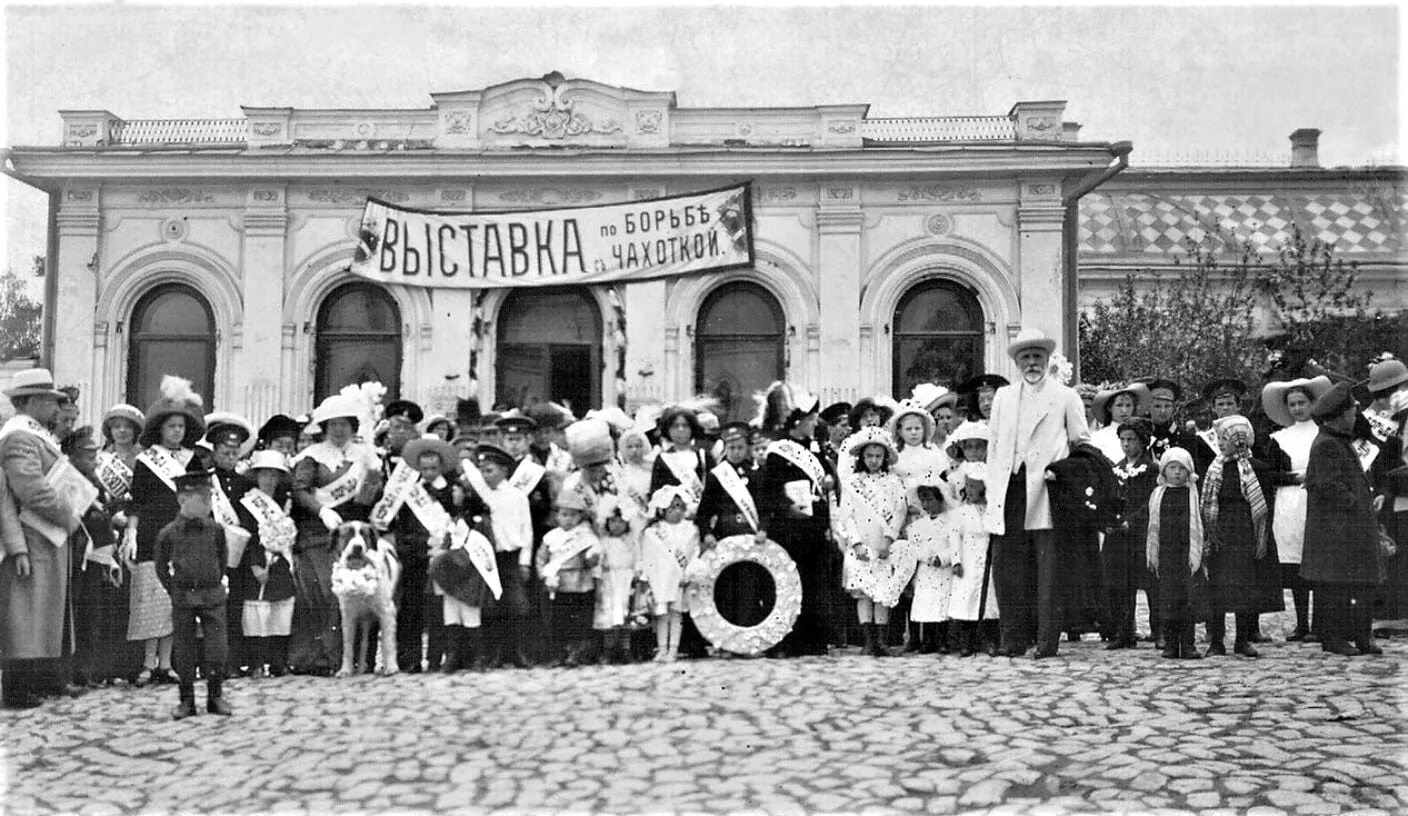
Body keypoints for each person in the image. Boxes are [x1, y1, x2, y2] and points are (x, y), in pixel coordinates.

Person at [985, 328, 1091, 659]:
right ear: (1017, 362)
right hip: (1010, 487)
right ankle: (1012, 639)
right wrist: (992, 487)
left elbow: (1082, 445)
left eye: (1037, 357)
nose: (1032, 363)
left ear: (1046, 360)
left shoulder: (1065, 396)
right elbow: (994, 447)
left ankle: (1047, 641)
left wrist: (1064, 475)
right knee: (1007, 567)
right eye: (1026, 358)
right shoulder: (1003, 397)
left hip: (1047, 490)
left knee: (1048, 570)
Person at [0, 369, 83, 709]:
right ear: (33, 402)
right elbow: (30, 488)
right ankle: (19, 688)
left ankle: (40, 681)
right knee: (26, 615)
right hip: (33, 535)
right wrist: (68, 515)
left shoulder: (34, 435)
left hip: (45, 536)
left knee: (41, 613)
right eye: (51, 402)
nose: (56, 409)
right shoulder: (20, 437)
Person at [288, 392, 384, 674]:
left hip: (354, 536)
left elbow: (371, 497)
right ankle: (320, 659)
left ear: (352, 426)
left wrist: (372, 485)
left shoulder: (363, 455)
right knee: (327, 594)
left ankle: (353, 659)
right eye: (333, 424)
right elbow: (299, 490)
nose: (338, 429)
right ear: (324, 427)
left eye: (344, 424)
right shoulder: (312, 456)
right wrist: (321, 511)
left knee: (358, 591)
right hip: (320, 535)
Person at [125, 375, 207, 687]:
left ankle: (168, 662)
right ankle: (148, 663)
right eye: (171, 426)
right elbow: (137, 499)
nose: (176, 431)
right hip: (150, 533)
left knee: (176, 597)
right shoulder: (146, 461)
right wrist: (131, 533)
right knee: (151, 596)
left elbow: (202, 497)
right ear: (160, 428)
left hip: (183, 533)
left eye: (181, 427)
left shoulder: (193, 459)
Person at [1302, 383, 1386, 656]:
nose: (1354, 417)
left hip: (1350, 528)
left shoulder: (1337, 441)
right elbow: (1329, 486)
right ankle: (1334, 638)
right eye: (1351, 413)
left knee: (1360, 584)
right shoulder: (1327, 444)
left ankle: (1361, 636)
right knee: (1336, 587)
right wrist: (1355, 503)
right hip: (1337, 530)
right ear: (1339, 416)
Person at [755, 382, 835, 657]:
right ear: (798, 420)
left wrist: (827, 482)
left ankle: (812, 640)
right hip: (789, 528)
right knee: (789, 585)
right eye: (811, 419)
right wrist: (787, 508)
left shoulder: (816, 448)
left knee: (814, 585)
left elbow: (828, 480)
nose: (815, 423)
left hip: (813, 527)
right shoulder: (778, 451)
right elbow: (769, 492)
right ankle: (786, 641)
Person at [372, 434, 460, 673]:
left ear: (441, 466)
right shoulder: (409, 491)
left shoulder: (452, 490)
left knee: (440, 608)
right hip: (413, 553)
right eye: (424, 468)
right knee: (411, 608)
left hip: (442, 554)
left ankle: (438, 657)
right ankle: (408, 658)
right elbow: (394, 521)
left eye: (433, 467)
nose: (429, 472)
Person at [1200, 415, 1279, 658]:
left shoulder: (1257, 469)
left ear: (1239, 439)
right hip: (1219, 534)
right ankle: (1216, 640)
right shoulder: (1215, 468)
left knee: (1245, 587)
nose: (1221, 443)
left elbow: (1265, 506)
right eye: (1219, 438)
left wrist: (1261, 538)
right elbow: (1207, 503)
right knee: (1217, 588)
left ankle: (1243, 639)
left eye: (1225, 438)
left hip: (1244, 533)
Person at [154, 469, 232, 719]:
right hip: (184, 597)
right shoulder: (168, 533)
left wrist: (214, 584)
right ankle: (186, 700)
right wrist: (175, 589)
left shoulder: (215, 530)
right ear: (182, 500)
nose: (209, 505)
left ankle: (215, 696)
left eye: (210, 498)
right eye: (203, 500)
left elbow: (222, 558)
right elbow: (160, 566)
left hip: (212, 595)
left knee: (217, 648)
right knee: (185, 650)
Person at [1262, 376, 1333, 641]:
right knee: (1296, 563)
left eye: (1302, 403)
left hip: (1317, 499)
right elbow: (1271, 474)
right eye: (1292, 404)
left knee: (1319, 560)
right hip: (1290, 501)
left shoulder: (1324, 433)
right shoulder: (1279, 438)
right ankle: (1302, 623)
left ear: (1313, 403)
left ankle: (1321, 624)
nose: (1298, 409)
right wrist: (1295, 478)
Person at [834, 427, 912, 658]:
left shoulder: (893, 482)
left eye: (878, 456)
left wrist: (888, 540)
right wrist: (856, 543)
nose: (874, 460)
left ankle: (881, 640)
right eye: (869, 456)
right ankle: (868, 640)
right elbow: (846, 515)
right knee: (864, 593)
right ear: (862, 458)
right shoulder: (853, 482)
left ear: (885, 458)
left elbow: (899, 512)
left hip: (882, 546)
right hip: (861, 545)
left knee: (882, 593)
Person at [63, 426, 129, 687]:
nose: (94, 462)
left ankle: (89, 671)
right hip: (81, 556)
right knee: (79, 616)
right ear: (73, 457)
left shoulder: (96, 481)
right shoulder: (70, 480)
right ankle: (77, 672)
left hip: (100, 556)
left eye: (94, 456)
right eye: (88, 457)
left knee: (94, 616)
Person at [463, 442, 534, 669]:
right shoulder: (485, 494)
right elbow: (468, 468)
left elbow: (527, 531)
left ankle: (517, 653)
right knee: (492, 607)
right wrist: (471, 459)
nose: (485, 475)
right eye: (483, 470)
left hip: (512, 558)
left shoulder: (517, 497)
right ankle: (494, 654)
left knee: (517, 606)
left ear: (504, 470)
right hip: (490, 559)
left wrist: (525, 561)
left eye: (490, 470)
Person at [695, 422, 771, 630]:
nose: (736, 452)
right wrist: (707, 534)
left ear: (747, 448)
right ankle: (728, 639)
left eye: (740, 447)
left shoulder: (756, 473)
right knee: (727, 589)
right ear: (725, 449)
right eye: (732, 448)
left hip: (751, 538)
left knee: (749, 589)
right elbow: (704, 512)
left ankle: (746, 637)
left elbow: (764, 507)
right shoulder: (717, 475)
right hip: (725, 538)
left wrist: (763, 528)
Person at [203, 415, 259, 677]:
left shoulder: (245, 483)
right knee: (212, 612)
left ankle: (233, 662)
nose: (230, 457)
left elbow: (251, 521)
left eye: (234, 453)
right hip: (211, 554)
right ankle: (212, 663)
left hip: (238, 556)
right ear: (214, 452)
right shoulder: (205, 481)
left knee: (234, 610)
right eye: (225, 452)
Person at [1145, 447, 1207, 660]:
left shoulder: (1193, 494)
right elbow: (1153, 525)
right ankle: (1171, 644)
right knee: (1168, 601)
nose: (1177, 472)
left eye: (1182, 468)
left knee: (1187, 601)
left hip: (1186, 556)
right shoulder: (1158, 494)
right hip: (1166, 555)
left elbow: (1198, 523)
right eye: (1172, 468)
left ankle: (1188, 644)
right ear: (1164, 471)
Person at [1103, 418, 1159, 650]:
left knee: (1150, 584)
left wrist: (1132, 522)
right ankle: (1124, 632)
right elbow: (1108, 498)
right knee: (1119, 585)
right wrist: (1108, 520)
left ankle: (1159, 632)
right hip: (1118, 535)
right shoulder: (1116, 469)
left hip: (1142, 534)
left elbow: (1151, 501)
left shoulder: (1152, 470)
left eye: (1131, 440)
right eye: (1123, 440)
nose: (1126, 444)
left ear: (1143, 442)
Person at [241, 450, 297, 677]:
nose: (269, 480)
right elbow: (248, 537)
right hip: (258, 563)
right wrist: (255, 565)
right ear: (256, 476)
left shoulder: (285, 503)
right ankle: (256, 663)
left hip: (281, 562)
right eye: (265, 474)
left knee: (280, 612)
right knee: (257, 614)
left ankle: (278, 662)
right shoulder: (247, 503)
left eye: (275, 475)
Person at [537, 488, 600, 667]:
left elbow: (591, 557)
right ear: (557, 516)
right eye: (564, 514)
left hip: (580, 581)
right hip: (558, 584)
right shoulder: (551, 537)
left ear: (580, 517)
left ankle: (577, 653)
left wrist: (591, 558)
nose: (568, 519)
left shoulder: (585, 536)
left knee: (579, 620)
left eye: (573, 515)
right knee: (559, 620)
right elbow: (541, 558)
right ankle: (560, 653)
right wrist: (545, 576)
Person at [638, 485, 700, 662]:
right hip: (660, 578)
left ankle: (673, 649)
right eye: (672, 507)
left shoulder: (690, 529)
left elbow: (693, 553)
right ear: (663, 509)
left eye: (680, 506)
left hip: (679, 578)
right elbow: (648, 556)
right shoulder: (653, 531)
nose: (676, 511)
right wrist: (646, 577)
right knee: (661, 615)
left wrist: (688, 573)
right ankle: (661, 648)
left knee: (676, 614)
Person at [948, 462, 1001, 657]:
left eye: (974, 486)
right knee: (967, 600)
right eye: (967, 486)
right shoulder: (960, 513)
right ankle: (967, 642)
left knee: (987, 599)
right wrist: (956, 561)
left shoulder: (991, 510)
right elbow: (954, 538)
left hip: (987, 558)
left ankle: (987, 640)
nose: (969, 490)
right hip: (968, 559)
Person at [907, 482, 954, 654]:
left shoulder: (951, 522)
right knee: (926, 603)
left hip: (943, 570)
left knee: (942, 603)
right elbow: (913, 547)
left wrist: (942, 558)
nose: (926, 505)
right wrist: (926, 556)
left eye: (930, 500)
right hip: (926, 571)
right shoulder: (917, 526)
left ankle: (942, 640)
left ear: (940, 499)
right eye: (923, 500)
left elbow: (955, 546)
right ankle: (927, 640)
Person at [592, 496, 639, 664]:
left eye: (620, 521)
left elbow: (637, 560)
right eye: (613, 521)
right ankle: (609, 649)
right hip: (609, 580)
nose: (617, 525)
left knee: (625, 615)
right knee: (609, 616)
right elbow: (597, 564)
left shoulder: (631, 542)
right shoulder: (603, 542)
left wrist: (637, 578)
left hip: (626, 580)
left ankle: (625, 649)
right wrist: (598, 582)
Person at [649, 405, 713, 505]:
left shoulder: (704, 456)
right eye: (675, 426)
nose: (681, 429)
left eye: (685, 425)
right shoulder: (662, 459)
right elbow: (655, 493)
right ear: (668, 430)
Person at [1090, 383, 1150, 465]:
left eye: (1128, 405)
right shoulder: (1097, 438)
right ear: (1109, 408)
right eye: (1119, 405)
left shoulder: (1144, 435)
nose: (1124, 410)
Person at [1144, 379, 1197, 463]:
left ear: (1173, 408)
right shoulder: (1142, 436)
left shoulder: (1187, 439)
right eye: (1157, 406)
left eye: (1167, 406)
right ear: (1149, 407)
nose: (1162, 411)